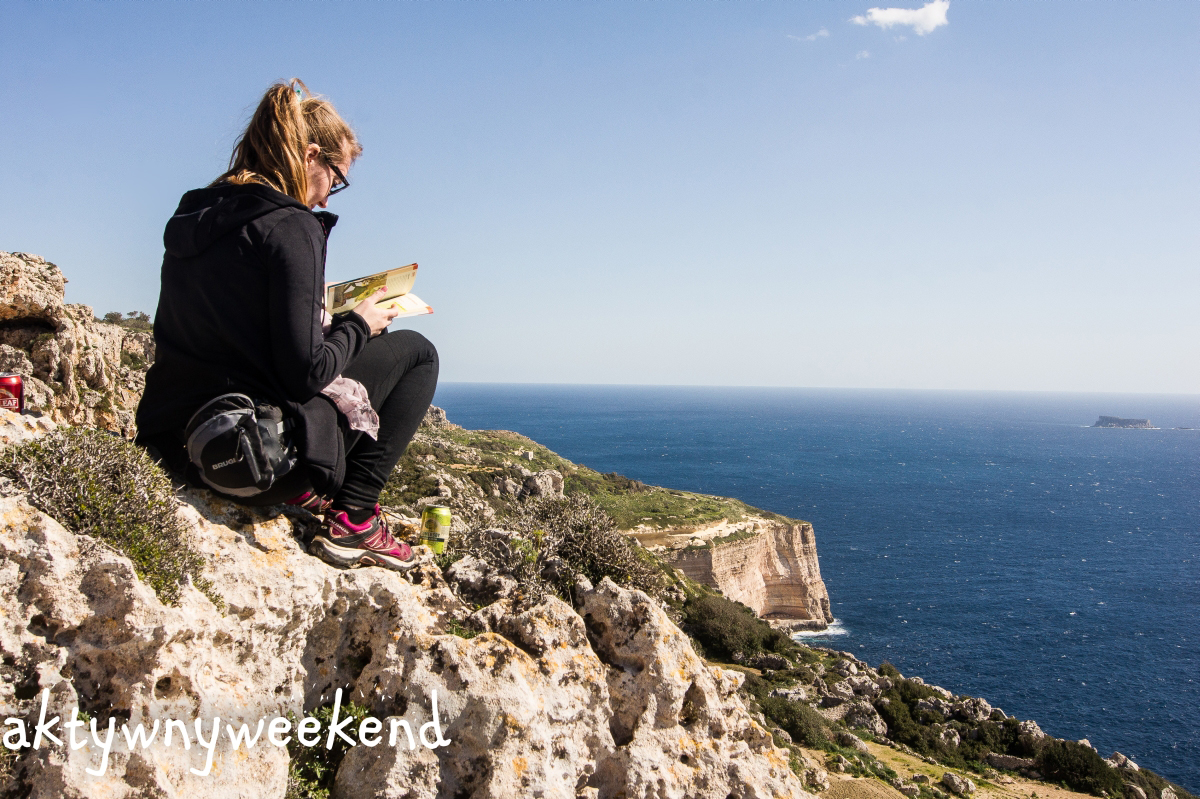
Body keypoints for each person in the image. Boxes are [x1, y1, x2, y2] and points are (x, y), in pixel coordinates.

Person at [136, 79, 438, 572]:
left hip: (171, 446)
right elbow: (304, 374)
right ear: (310, 156)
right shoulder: (292, 225)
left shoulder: (198, 212)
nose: (327, 199)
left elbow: (230, 324)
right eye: (335, 181)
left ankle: (327, 500)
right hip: (248, 459)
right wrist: (358, 324)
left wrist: (316, 309)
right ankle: (356, 518)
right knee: (418, 352)